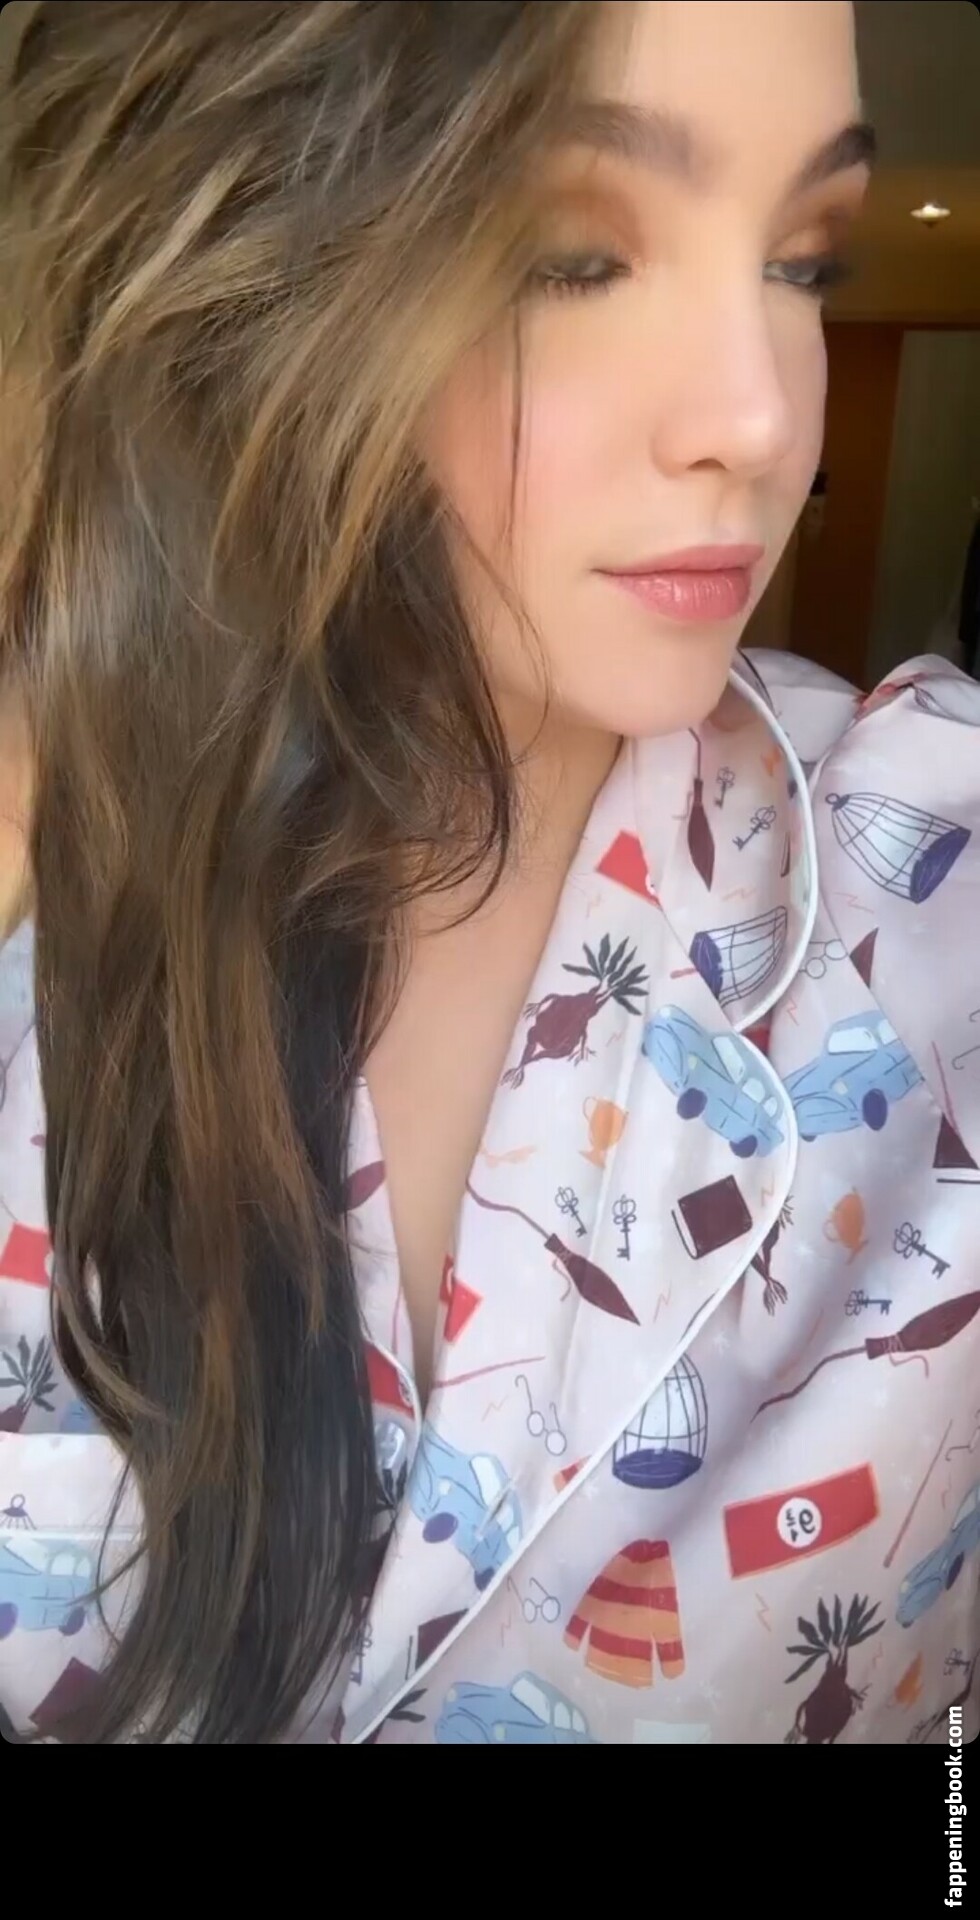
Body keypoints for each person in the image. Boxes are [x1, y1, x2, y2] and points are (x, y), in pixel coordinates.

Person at [0, 0, 977, 1749]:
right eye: (573, 255)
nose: (760, 419)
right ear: (246, 267)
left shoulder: (929, 876)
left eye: (803, 261)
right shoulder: (33, 878)